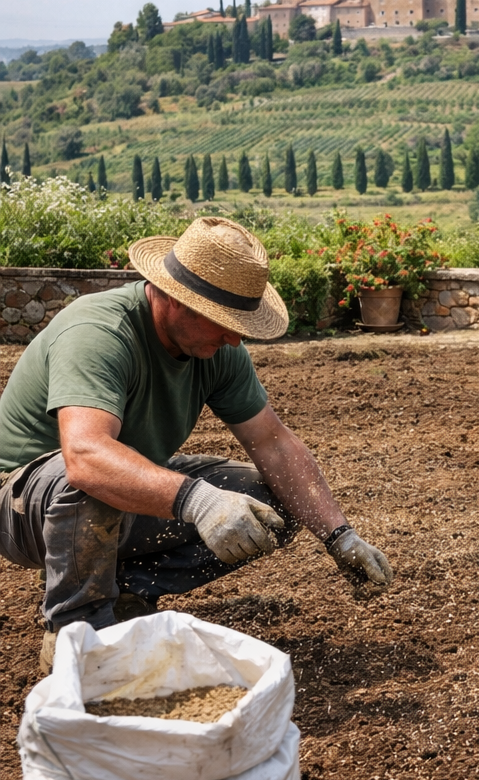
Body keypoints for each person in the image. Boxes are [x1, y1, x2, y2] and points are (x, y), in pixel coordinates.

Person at [0, 216, 394, 668]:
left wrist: (339, 535)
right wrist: (199, 501)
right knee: (96, 481)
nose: (235, 336)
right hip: (23, 504)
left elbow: (274, 444)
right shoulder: (100, 333)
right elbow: (86, 458)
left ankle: (127, 594)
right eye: (223, 321)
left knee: (273, 500)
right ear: (173, 297)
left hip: (114, 501)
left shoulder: (219, 351)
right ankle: (78, 631)